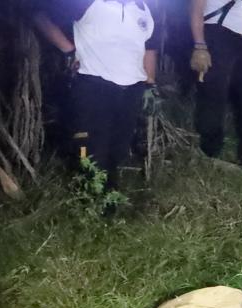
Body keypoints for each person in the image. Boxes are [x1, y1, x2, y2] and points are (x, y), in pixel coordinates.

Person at [33, 0, 158, 191]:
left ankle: (109, 197)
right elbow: (41, 16)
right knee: (91, 147)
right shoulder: (88, 3)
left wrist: (150, 84)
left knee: (118, 147)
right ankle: (90, 198)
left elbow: (149, 47)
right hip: (93, 86)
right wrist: (69, 50)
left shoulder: (145, 9)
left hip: (131, 90)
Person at [190, 0, 242, 165]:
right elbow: (196, 10)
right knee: (214, 97)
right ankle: (209, 153)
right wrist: (200, 46)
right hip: (218, 36)